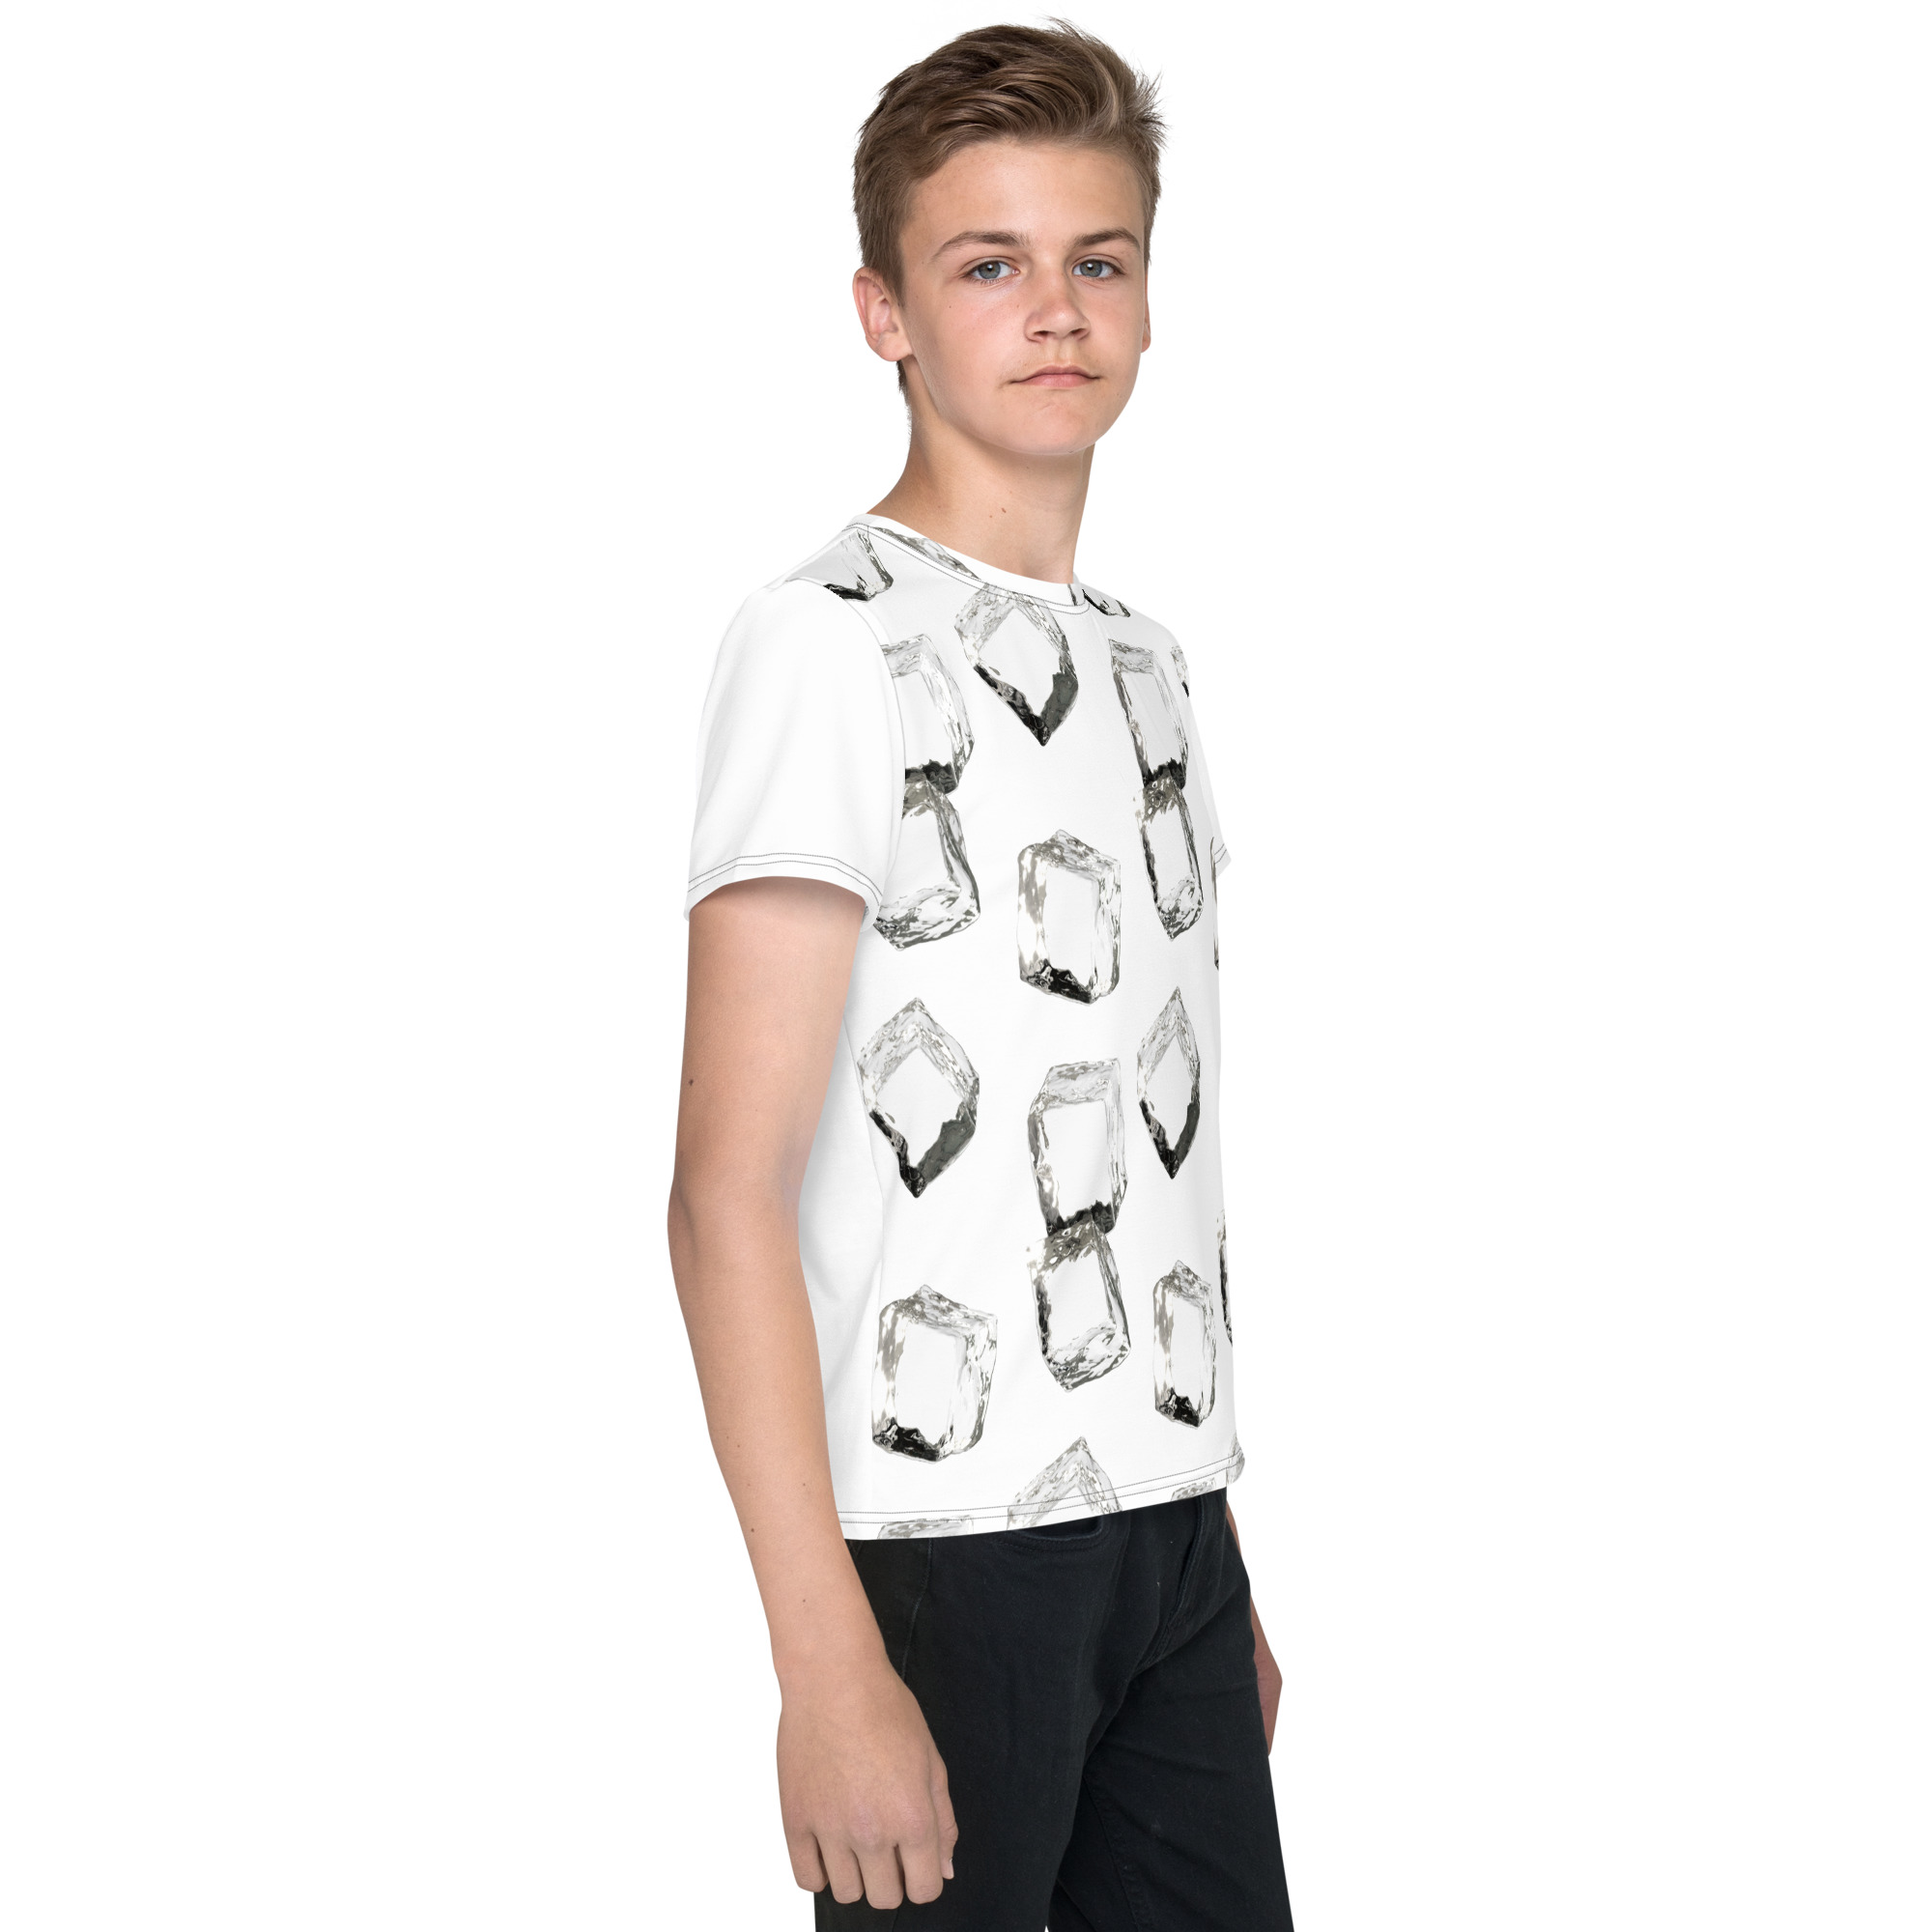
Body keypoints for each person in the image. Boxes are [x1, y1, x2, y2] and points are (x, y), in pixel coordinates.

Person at [669, 22, 1293, 1927]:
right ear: (886, 313)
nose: (1056, 309)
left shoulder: (1148, 664)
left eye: (1099, 258)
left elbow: (1137, 1140)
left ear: (1149, 297)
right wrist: (826, 1666)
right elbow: (723, 1192)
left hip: (1164, 1538)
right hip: (946, 1549)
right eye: (987, 263)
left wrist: (1207, 1543)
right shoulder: (826, 642)